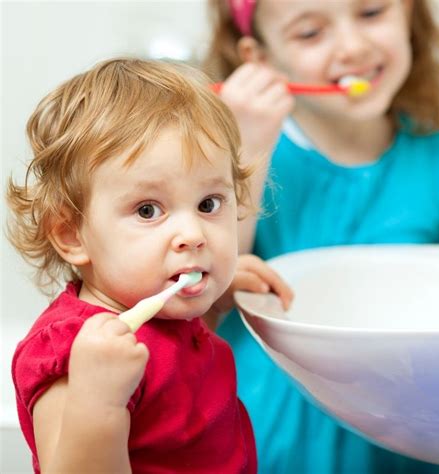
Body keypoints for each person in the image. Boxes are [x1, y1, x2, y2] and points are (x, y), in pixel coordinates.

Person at [203, 0, 439, 472]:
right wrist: (243, 153)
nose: (353, 47)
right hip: (271, 444)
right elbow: (206, 286)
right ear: (260, 58)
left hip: (415, 448)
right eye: (310, 32)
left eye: (372, 12)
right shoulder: (240, 160)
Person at [6, 57, 293, 473]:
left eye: (208, 204)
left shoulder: (161, 309)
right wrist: (96, 402)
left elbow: (172, 374)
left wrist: (217, 299)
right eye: (147, 210)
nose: (192, 234)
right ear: (72, 235)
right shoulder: (74, 354)